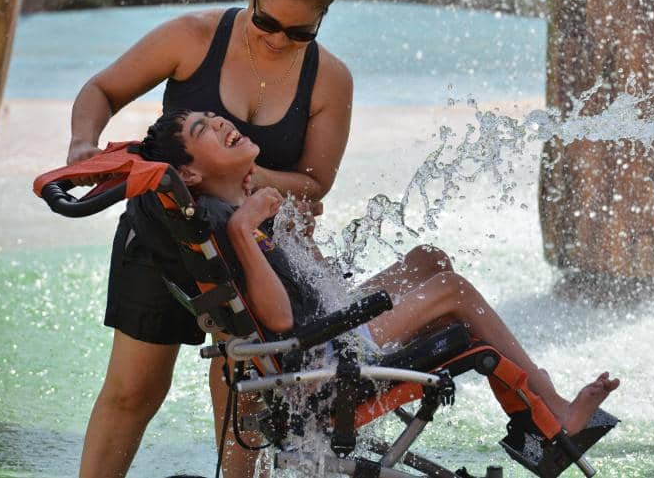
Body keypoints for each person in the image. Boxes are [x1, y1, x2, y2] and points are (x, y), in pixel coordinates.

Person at [67, 0, 448, 477]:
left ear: (323, 19)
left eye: (299, 32)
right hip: (161, 240)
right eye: (266, 23)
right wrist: (84, 144)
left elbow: (315, 183)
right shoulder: (194, 37)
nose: (276, 39)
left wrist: (247, 172)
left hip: (252, 251)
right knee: (133, 391)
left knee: (246, 393)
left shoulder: (330, 78)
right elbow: (100, 91)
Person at [137, 109, 621, 440]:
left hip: (326, 326)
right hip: (322, 355)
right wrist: (247, 228)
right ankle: (555, 410)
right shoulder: (228, 223)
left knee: (427, 259)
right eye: (203, 129)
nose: (220, 121)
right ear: (192, 176)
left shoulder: (226, 208)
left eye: (213, 116)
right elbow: (281, 321)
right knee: (452, 291)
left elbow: (305, 285)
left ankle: (529, 385)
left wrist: (293, 239)